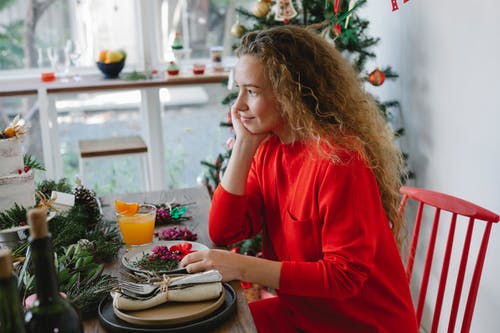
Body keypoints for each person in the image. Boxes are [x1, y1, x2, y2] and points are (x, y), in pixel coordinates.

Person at [180, 25, 418, 332]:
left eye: (251, 92)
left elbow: (344, 277)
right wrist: (243, 145)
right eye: (238, 90)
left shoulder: (340, 159)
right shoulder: (269, 149)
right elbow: (225, 231)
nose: (237, 107)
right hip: (304, 315)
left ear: (291, 93)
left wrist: (241, 265)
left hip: (362, 324)